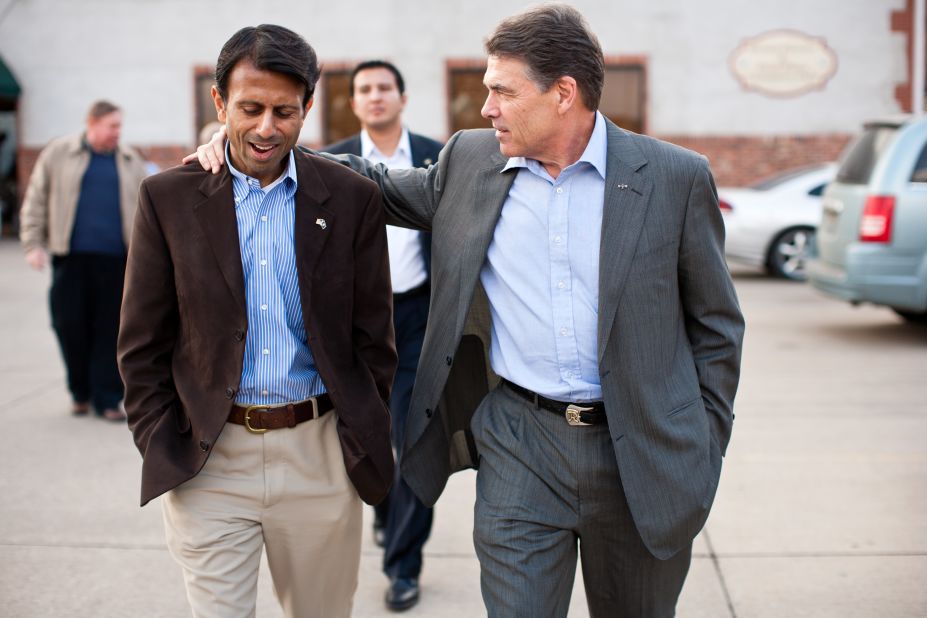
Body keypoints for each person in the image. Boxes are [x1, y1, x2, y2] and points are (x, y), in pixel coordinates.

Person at [194, 5, 745, 616]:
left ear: (563, 94)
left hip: (640, 449)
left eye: (501, 92)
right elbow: (369, 184)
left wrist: (702, 440)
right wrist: (258, 146)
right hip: (518, 443)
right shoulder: (471, 161)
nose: (485, 108)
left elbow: (716, 327)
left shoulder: (673, 178)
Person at [119, 25, 396, 618]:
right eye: (249, 108)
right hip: (209, 460)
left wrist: (356, 435)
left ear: (308, 110)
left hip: (319, 456)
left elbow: (375, 339)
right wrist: (159, 438)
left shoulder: (351, 200)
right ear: (219, 103)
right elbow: (141, 344)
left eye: (284, 112)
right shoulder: (167, 199)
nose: (266, 128)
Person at [325, 59, 443, 612]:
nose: (375, 97)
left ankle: (403, 568)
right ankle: (383, 510)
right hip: (357, 322)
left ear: (402, 97)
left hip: (420, 318)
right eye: (364, 90)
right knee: (366, 441)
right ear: (354, 103)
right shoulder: (331, 161)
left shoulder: (438, 155)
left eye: (384, 88)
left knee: (414, 445)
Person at [20, 100, 148, 421]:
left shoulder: (130, 160)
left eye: (120, 126)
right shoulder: (59, 154)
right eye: (112, 126)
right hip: (71, 258)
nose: (118, 133)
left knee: (112, 330)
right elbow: (36, 198)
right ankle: (80, 390)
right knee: (68, 325)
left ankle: (107, 398)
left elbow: (148, 213)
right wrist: (32, 244)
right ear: (93, 123)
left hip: (117, 262)